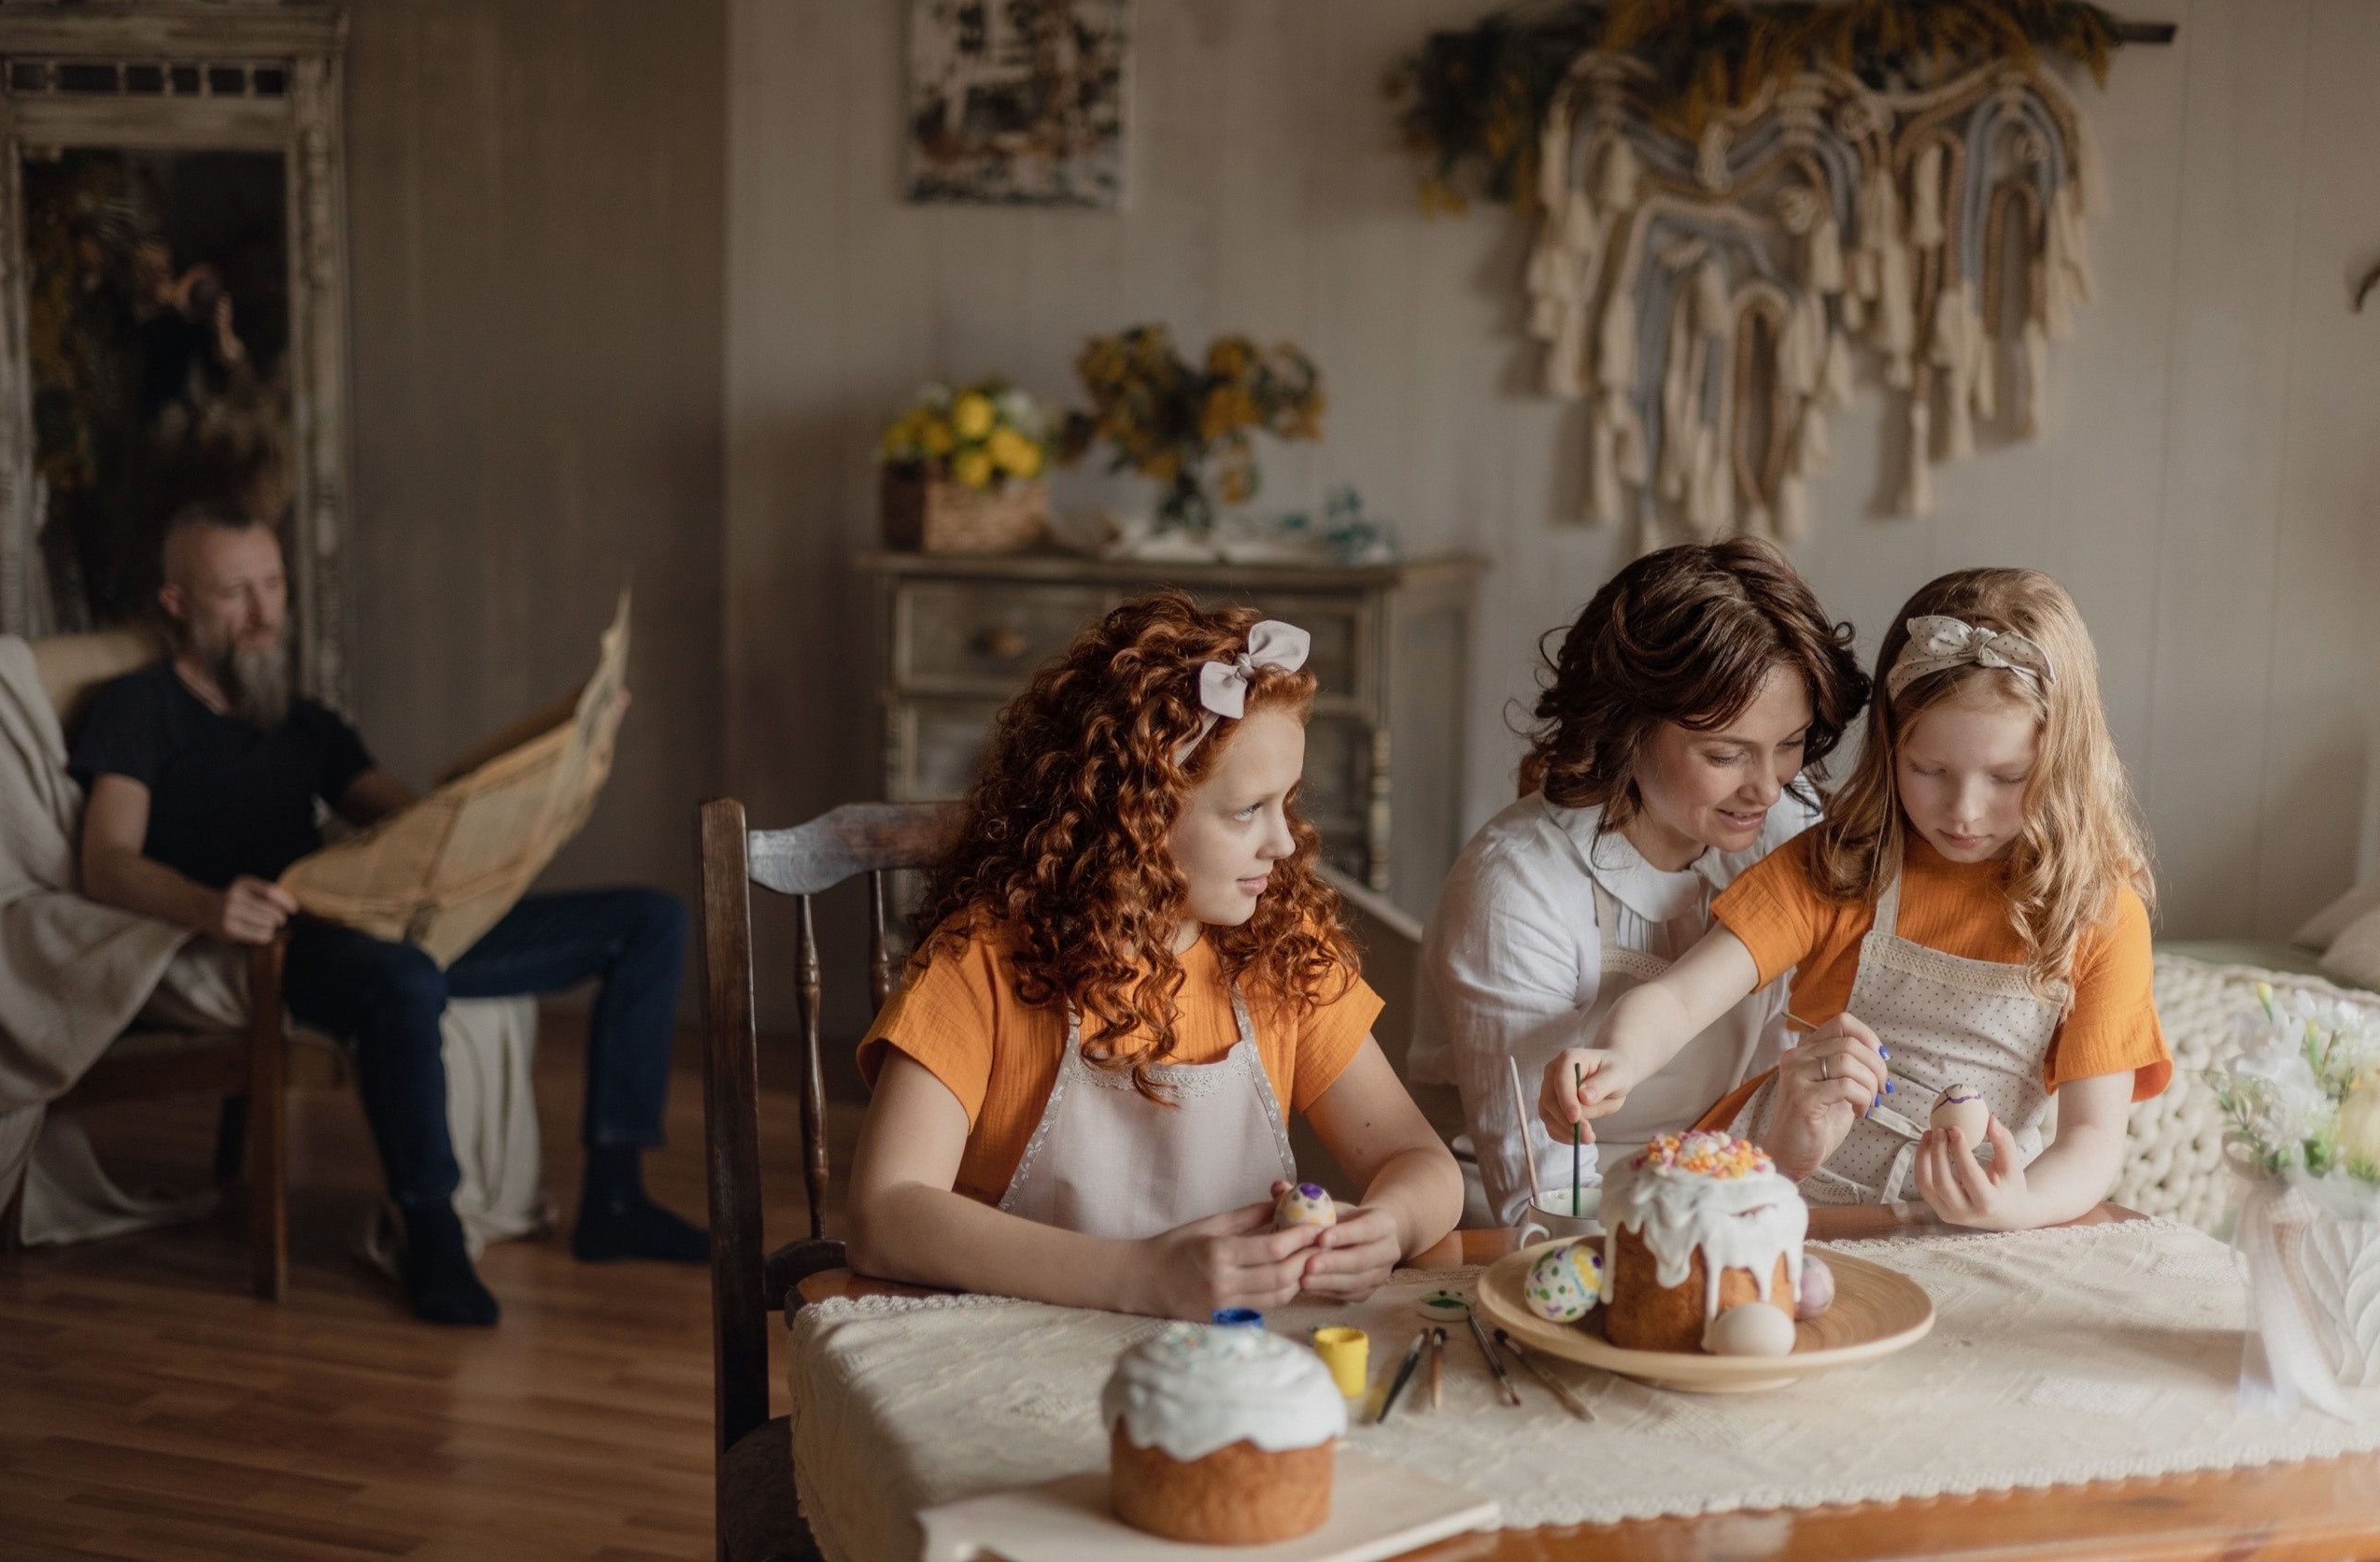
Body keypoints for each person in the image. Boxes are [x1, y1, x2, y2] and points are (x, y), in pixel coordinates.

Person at [73, 500, 707, 1326]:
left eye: (274, 585)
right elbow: (105, 859)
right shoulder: (139, 708)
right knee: (403, 980)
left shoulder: (301, 720)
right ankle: (432, 1231)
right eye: (235, 593)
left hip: (394, 919)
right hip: (289, 945)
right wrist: (209, 905)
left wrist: (561, 757)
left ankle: (616, 1196)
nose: (265, 613)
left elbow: (422, 828)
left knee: (649, 920)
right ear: (178, 604)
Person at [843, 592, 1463, 1317]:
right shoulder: (981, 964)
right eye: (1246, 811)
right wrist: (1140, 1276)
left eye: (1286, 804)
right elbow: (884, 1215)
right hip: (1023, 1364)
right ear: (1135, 814)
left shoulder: (1281, 952)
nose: (1285, 842)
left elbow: (1421, 1164)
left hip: (1229, 1371)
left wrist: (1387, 1228)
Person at [1539, 568, 2171, 1228]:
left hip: (1968, 1222)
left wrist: (2020, 1204)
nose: (1964, 810)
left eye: (2008, 777)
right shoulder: (1844, 865)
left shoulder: (2096, 914)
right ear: (1890, 743)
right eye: (1929, 770)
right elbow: (1680, 997)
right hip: (1790, 1196)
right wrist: (1621, 1054)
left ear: (2063, 761)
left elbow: (2091, 1140)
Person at [1410, 539, 1871, 1224]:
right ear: (1627, 726)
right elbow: (1541, 1193)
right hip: (1534, 1227)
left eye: (1790, 744)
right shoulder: (1516, 888)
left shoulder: (1787, 829)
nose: (1769, 787)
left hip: (1721, 1187)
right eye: (1725, 754)